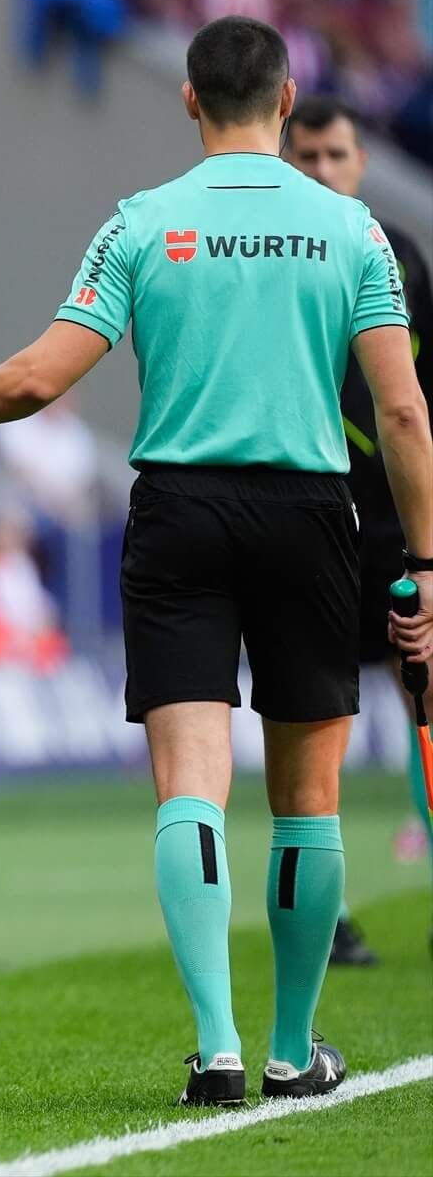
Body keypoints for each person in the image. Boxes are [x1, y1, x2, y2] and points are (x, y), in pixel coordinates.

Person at [0, 17, 433, 1107]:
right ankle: (292, 1046)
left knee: (190, 786)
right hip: (311, 512)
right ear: (289, 93)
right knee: (308, 799)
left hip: (178, 509)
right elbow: (402, 410)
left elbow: (33, 380)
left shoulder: (141, 224)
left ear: (186, 98)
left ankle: (215, 1042)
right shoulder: (351, 229)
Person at [285, 93, 433, 961]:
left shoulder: (401, 259)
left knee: (427, 703)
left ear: (360, 162)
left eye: (335, 157)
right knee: (317, 714)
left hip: (398, 529)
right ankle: (326, 913)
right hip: (310, 522)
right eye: (306, 158)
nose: (323, 173)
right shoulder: (278, 260)